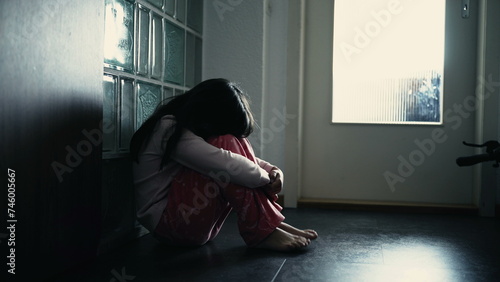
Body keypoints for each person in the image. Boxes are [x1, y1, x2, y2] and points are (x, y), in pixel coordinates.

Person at [130, 78, 317, 251]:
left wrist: (273, 171)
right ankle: (264, 229)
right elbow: (228, 164)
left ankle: (267, 224)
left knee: (230, 149)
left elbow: (234, 161)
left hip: (190, 224)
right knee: (227, 150)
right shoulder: (168, 128)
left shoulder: (182, 128)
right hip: (170, 226)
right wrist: (265, 179)